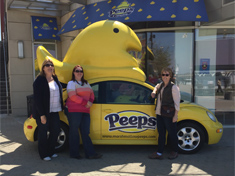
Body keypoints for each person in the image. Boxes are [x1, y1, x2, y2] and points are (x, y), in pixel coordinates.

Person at [65, 65, 102, 159]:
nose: (79, 72)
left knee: (85, 132)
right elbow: (72, 96)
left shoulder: (86, 83)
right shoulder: (71, 83)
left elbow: (92, 94)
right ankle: (74, 154)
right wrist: (86, 102)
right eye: (77, 71)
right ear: (73, 73)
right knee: (74, 132)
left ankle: (90, 154)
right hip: (74, 111)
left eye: (81, 71)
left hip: (85, 111)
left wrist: (91, 101)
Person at [33, 59, 63, 161]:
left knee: (55, 131)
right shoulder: (39, 80)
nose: (50, 67)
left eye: (51, 65)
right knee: (43, 133)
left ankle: (51, 151)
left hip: (55, 110)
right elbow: (37, 99)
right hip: (43, 113)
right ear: (43, 68)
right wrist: (42, 115)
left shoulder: (55, 78)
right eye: (47, 65)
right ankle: (43, 154)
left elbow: (60, 89)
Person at [149, 67, 180, 160]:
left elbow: (177, 103)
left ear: (170, 76)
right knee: (161, 134)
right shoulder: (161, 85)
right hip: (159, 113)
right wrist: (154, 92)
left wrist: (175, 115)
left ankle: (175, 151)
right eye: (163, 74)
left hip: (169, 114)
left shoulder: (174, 87)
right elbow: (156, 87)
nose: (165, 76)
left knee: (172, 133)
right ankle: (159, 153)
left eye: (167, 75)